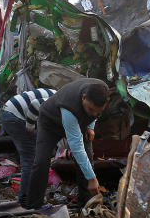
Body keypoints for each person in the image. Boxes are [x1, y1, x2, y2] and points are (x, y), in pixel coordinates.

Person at [24, 78, 109, 210]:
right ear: (83, 97)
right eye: (90, 109)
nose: (93, 114)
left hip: (78, 122)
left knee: (88, 157)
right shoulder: (69, 107)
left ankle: (85, 204)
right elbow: (76, 147)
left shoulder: (102, 91)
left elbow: (94, 112)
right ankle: (33, 205)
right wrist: (92, 179)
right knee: (41, 161)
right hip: (50, 123)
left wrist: (91, 126)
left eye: (97, 112)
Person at [0, 88, 56, 207]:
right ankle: (26, 200)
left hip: (10, 114)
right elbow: (35, 104)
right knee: (31, 159)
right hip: (15, 116)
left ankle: (27, 198)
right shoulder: (59, 101)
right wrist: (30, 126)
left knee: (32, 158)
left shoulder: (62, 97)